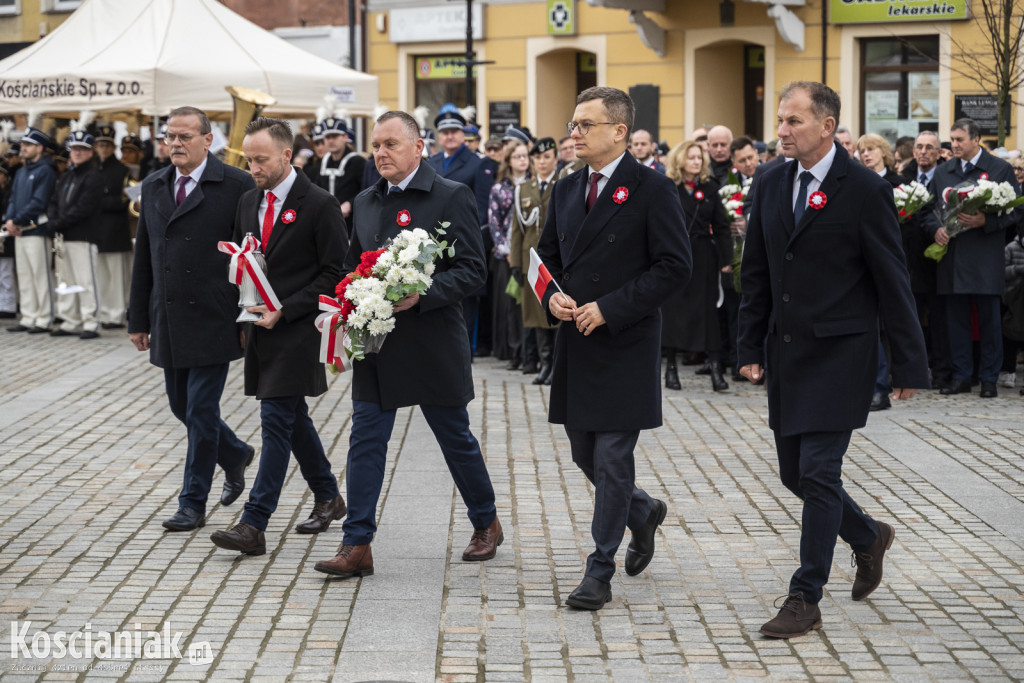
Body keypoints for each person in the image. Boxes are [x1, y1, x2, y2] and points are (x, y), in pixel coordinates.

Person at [737, 81, 929, 639]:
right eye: (779, 120)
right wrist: (750, 345)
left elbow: (893, 281)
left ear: (826, 126)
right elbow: (758, 272)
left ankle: (804, 597)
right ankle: (869, 537)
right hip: (787, 352)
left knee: (820, 474)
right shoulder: (771, 179)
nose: (782, 131)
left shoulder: (865, 189)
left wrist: (909, 365)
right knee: (794, 473)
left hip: (842, 354)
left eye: (793, 121)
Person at [314, 110, 501, 579]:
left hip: (432, 340)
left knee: (455, 440)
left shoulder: (450, 195)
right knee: (365, 441)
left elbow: (473, 270)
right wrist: (350, 298)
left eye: (391, 144)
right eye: (376, 145)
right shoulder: (366, 200)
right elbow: (354, 265)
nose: (381, 153)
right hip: (378, 345)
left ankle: (486, 522)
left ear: (419, 147)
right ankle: (357, 543)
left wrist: (424, 294)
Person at [537, 86, 691, 611]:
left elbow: (674, 266)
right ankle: (643, 511)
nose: (573, 134)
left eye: (585, 125)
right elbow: (546, 261)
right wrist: (552, 297)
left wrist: (611, 307)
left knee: (611, 457)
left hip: (624, 340)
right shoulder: (564, 189)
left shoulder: (651, 188)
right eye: (573, 124)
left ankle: (598, 569)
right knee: (585, 452)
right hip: (578, 344)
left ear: (619, 131)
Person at [209, 117, 349, 556]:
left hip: (299, 329)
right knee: (292, 419)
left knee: (275, 422)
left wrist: (285, 308)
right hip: (261, 329)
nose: (253, 167)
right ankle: (328, 494)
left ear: (287, 155)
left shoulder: (320, 203)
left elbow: (335, 273)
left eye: (261, 159)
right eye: (248, 159)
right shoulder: (248, 201)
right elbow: (241, 257)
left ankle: (254, 522)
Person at [128, 106, 256, 532]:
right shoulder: (155, 184)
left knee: (201, 409)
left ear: (208, 140)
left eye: (185, 136)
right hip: (168, 314)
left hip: (215, 315)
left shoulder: (236, 184)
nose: (176, 144)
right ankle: (235, 452)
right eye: (170, 137)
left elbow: (251, 258)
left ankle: (192, 502)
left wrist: (245, 319)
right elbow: (143, 258)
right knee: (181, 405)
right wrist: (136, 319)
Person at [929, 118, 1022, 398]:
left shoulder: (999, 168)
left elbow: (1016, 210)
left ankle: (989, 379)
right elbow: (930, 209)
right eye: (952, 139)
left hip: (984, 255)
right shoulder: (943, 171)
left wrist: (987, 221)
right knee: (955, 320)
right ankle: (961, 377)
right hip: (953, 257)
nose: (953, 145)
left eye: (959, 140)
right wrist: (936, 230)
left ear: (976, 139)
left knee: (989, 321)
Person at [661, 140, 732, 392]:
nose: (696, 161)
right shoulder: (668, 187)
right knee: (673, 312)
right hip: (676, 256)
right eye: (691, 157)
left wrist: (725, 260)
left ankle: (715, 370)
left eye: (699, 158)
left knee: (708, 313)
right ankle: (671, 369)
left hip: (703, 256)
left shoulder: (710, 187)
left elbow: (722, 226)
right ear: (680, 160)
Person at [855, 133, 907, 411]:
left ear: (884, 152)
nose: (866, 155)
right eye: (862, 150)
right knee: (870, 329)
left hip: (891, 261)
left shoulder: (899, 184)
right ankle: (874, 386)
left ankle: (883, 386)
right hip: (863, 265)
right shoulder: (855, 182)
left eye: (871, 149)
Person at [509, 137, 560, 385]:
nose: (542, 162)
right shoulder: (524, 189)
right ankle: (545, 362)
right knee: (535, 314)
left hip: (556, 259)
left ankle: (557, 365)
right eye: (537, 158)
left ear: (555, 159)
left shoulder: (563, 184)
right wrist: (516, 264)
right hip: (532, 259)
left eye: (547, 157)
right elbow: (517, 229)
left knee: (557, 311)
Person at [48, 131, 103, 340]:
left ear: (90, 152)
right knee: (67, 280)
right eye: (74, 149)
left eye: (82, 149)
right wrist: (53, 220)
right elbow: (54, 201)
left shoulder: (94, 176)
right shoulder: (68, 176)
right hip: (64, 236)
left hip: (84, 236)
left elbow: (84, 207)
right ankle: (70, 320)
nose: (77, 153)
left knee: (86, 280)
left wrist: (58, 222)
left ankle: (91, 321)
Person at [4, 128, 57, 334]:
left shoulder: (46, 171)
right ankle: (28, 316)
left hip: (36, 229)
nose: (23, 148)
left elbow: (39, 201)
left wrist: (16, 219)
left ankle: (44, 318)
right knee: (25, 275)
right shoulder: (21, 171)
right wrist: (9, 219)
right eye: (23, 145)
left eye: (27, 145)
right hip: (19, 231)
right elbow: (13, 199)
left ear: (39, 148)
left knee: (40, 275)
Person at [488, 140, 532, 370]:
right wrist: (507, 251)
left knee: (528, 303)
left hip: (530, 254)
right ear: (509, 161)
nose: (522, 160)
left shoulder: (534, 185)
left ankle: (529, 351)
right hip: (506, 255)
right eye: (517, 157)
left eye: (525, 156)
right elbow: (494, 223)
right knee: (510, 305)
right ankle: (513, 350)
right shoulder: (499, 189)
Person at [92, 125, 133, 330]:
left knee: (116, 276)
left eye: (107, 146)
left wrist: (100, 202)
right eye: (100, 145)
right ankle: (102, 311)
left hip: (115, 228)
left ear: (113, 147)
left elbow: (125, 200)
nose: (103, 149)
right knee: (99, 274)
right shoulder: (92, 168)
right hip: (96, 229)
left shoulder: (122, 169)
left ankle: (116, 314)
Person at [426, 110, 492, 225]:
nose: (450, 136)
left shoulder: (479, 163)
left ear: (463, 135)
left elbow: (482, 208)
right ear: (439, 137)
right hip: (434, 230)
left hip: (463, 230)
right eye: (445, 133)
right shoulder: (431, 162)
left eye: (454, 132)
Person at [311, 118, 366, 226]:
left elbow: (367, 190)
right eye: (327, 137)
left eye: (335, 136)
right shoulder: (323, 162)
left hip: (351, 222)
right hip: (325, 221)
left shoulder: (358, 162)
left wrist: (350, 203)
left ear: (345, 137)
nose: (331, 141)